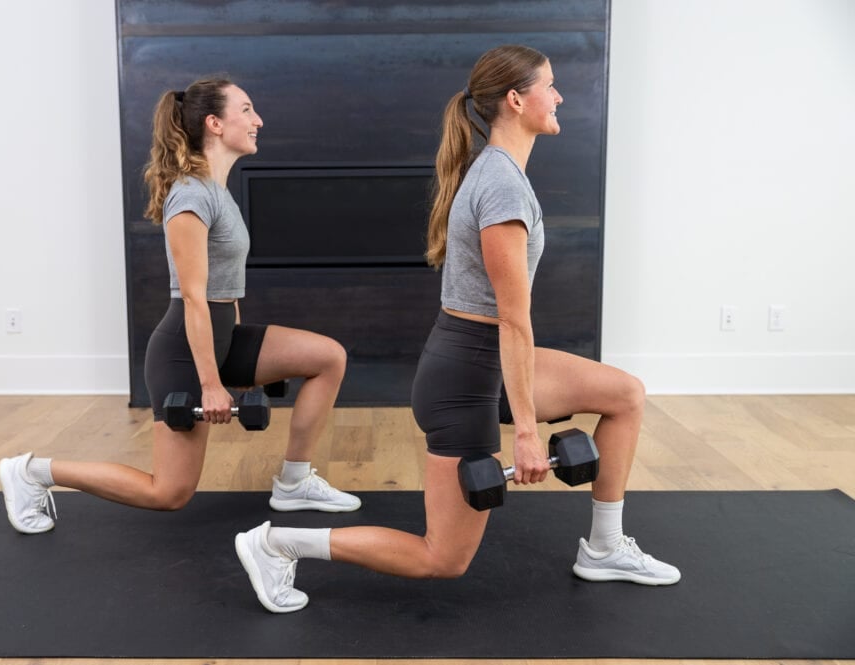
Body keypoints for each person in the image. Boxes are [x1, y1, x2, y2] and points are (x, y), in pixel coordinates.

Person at [235, 45, 680, 613]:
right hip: (464, 378)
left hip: (484, 360)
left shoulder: (501, 173)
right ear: (516, 100)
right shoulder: (501, 186)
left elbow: (510, 328)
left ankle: (605, 545)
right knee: (441, 558)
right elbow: (514, 322)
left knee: (624, 394)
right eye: (551, 85)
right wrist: (524, 431)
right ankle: (277, 543)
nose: (560, 95)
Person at [0, 76, 360, 534]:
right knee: (168, 493)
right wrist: (210, 383)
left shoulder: (216, 190)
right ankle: (32, 472)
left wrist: (239, 363)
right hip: (184, 350)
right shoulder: (190, 196)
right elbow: (192, 296)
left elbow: (223, 289)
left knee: (328, 357)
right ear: (214, 123)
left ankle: (294, 482)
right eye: (246, 110)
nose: (258, 120)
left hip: (220, 334)